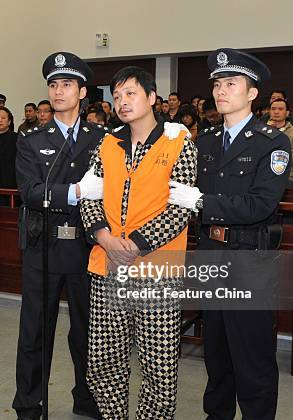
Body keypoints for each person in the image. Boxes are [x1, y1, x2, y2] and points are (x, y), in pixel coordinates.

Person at [169, 48, 291, 420]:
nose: (221, 91)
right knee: (217, 350)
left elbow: (260, 205)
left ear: (253, 93)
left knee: (251, 353)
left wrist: (203, 201)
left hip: (248, 258)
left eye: (231, 83)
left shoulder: (272, 142)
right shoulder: (204, 141)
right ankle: (216, 414)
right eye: (218, 84)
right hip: (210, 252)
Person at [80, 66, 196, 419]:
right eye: (116, 96)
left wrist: (131, 247)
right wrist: (104, 237)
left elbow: (181, 209)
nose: (122, 101)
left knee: (158, 368)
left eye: (130, 93)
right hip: (107, 268)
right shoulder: (106, 143)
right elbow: (89, 197)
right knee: (102, 362)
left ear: (151, 98)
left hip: (157, 271)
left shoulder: (179, 142)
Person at [13, 51, 107, 420]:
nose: (58, 91)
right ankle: (29, 403)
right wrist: (78, 192)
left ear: (82, 92)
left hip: (88, 245)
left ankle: (88, 399)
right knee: (35, 330)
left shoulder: (103, 138)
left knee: (87, 330)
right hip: (44, 245)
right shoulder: (32, 139)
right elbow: (30, 192)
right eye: (53, 84)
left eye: (66, 84)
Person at [267, 98, 293, 184]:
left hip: (286, 177)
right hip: (263, 176)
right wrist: (268, 132)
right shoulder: (261, 131)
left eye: (280, 109)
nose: (276, 112)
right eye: (273, 109)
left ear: (287, 113)